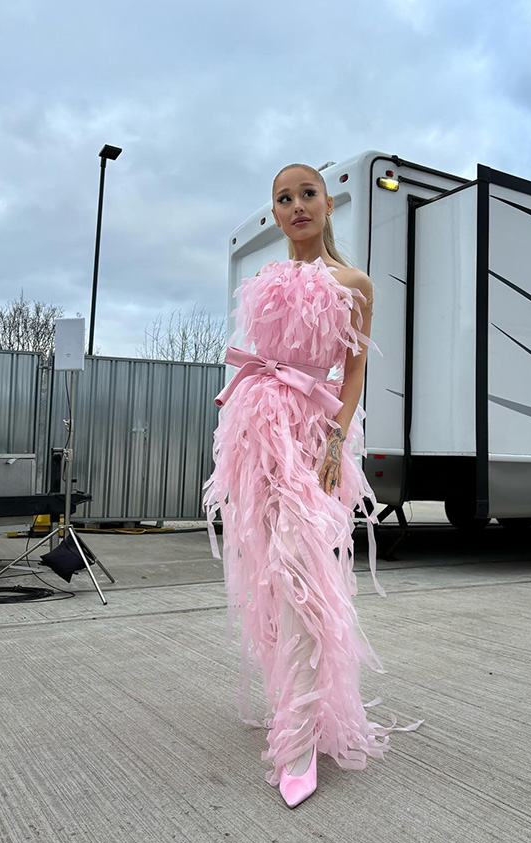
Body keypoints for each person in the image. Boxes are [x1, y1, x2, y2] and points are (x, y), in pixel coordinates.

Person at [202, 163, 423, 808]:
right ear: (275, 213)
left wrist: (333, 438)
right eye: (283, 197)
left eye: (307, 194)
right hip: (256, 432)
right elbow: (256, 361)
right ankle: (291, 704)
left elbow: (352, 373)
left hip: (311, 434)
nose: (296, 205)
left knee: (303, 573)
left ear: (329, 206)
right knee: (269, 571)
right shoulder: (263, 282)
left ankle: (299, 738)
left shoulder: (354, 284)